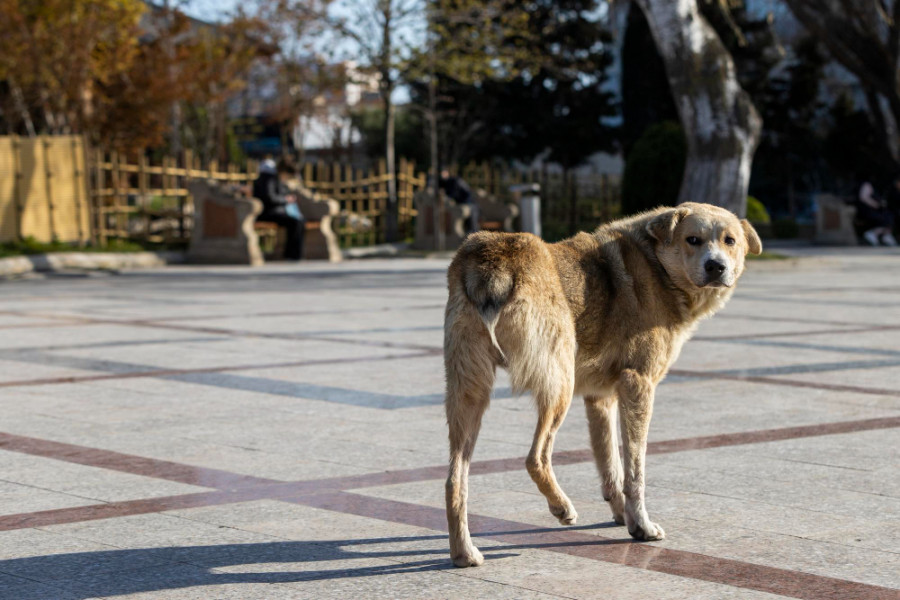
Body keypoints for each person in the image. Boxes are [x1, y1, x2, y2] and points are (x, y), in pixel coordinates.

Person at [253, 158, 306, 260]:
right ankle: (292, 255)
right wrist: (286, 200)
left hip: (277, 211)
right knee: (295, 222)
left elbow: (281, 193)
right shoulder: (268, 178)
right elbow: (270, 198)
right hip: (268, 212)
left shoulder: (275, 178)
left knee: (300, 221)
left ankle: (295, 254)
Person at [855, 179, 896, 246]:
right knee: (884, 218)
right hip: (867, 211)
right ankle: (872, 234)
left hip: (877, 210)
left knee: (889, 216)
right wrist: (875, 204)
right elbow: (863, 198)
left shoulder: (880, 188)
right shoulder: (867, 185)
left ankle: (886, 236)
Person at [439, 169, 479, 235]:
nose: (442, 175)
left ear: (447, 173)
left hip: (469, 203)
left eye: (444, 173)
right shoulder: (445, 182)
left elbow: (457, 194)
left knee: (472, 225)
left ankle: (473, 235)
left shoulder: (454, 181)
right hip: (464, 203)